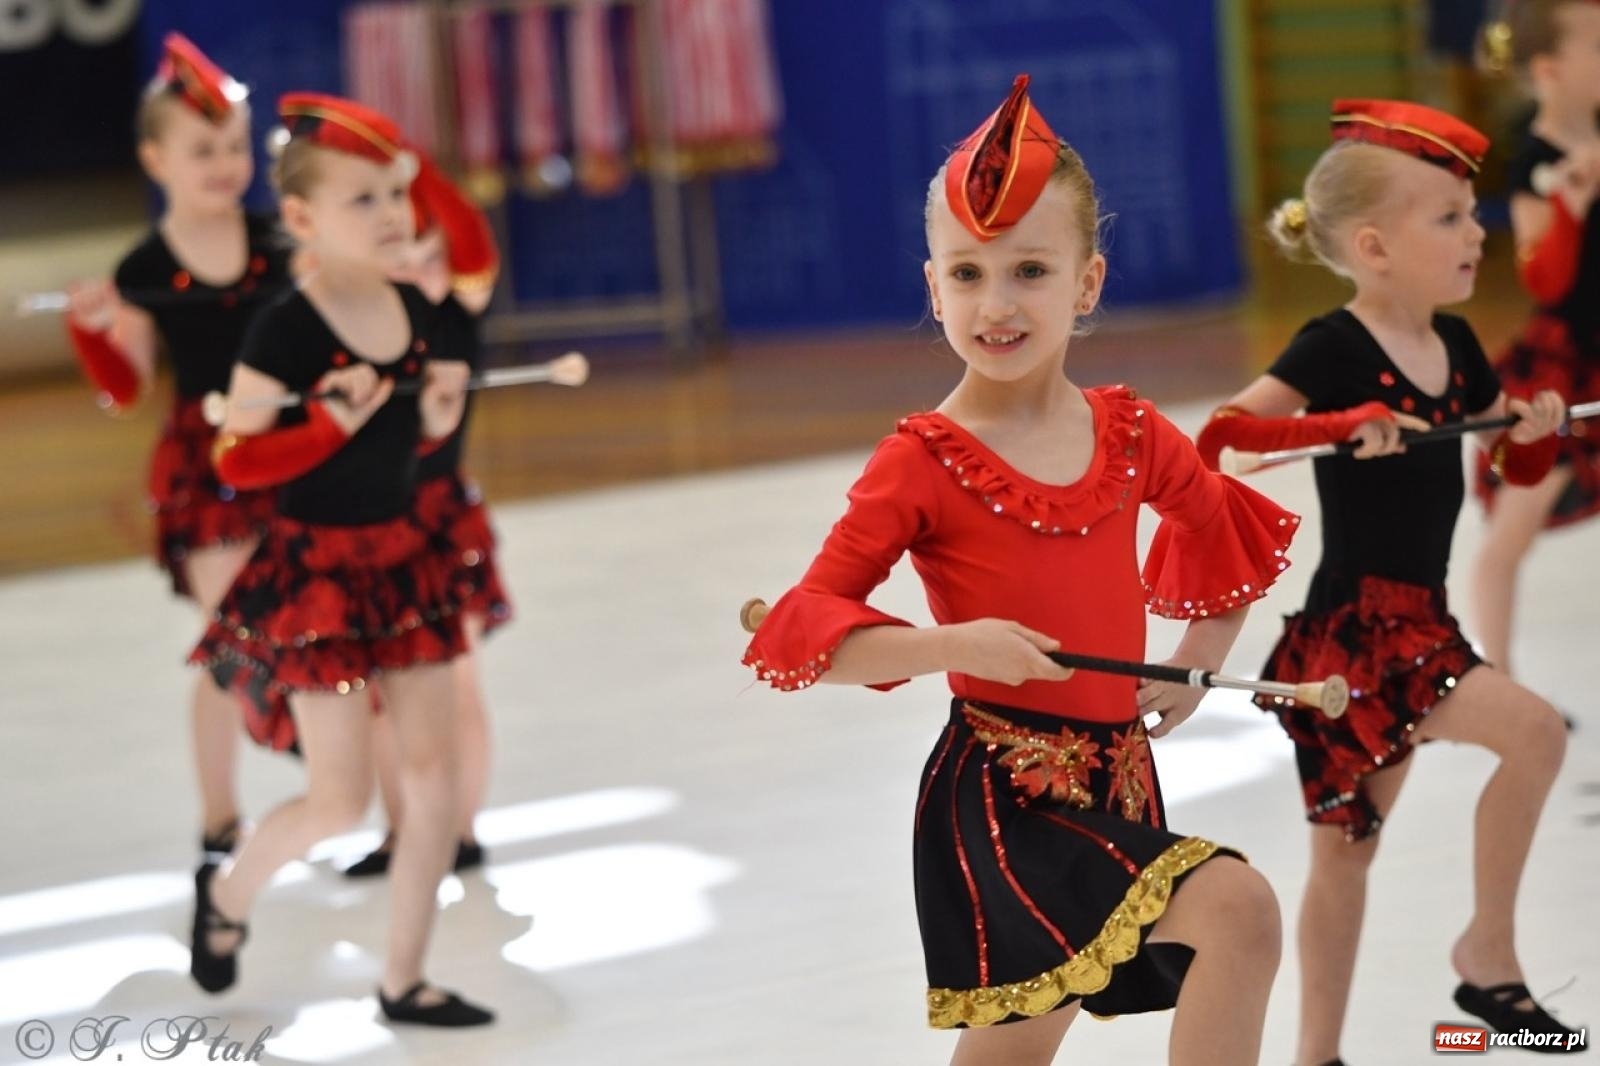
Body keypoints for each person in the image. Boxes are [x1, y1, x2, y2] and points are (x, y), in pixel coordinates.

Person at [742, 75, 1295, 1066]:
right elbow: (812, 634)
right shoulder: (920, 459)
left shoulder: (1129, 430)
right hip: (1001, 793)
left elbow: (1222, 533)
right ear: (932, 286)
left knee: (1012, 1053)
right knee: (1238, 908)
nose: (994, 304)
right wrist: (957, 643)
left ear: (1086, 283)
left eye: (1028, 270)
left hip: (1117, 774)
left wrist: (1195, 659)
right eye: (967, 275)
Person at [1195, 98, 1578, 1064]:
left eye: (1469, 212)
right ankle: (1483, 958)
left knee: (1348, 855)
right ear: (1373, 246)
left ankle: (1326, 1050)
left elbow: (1509, 470)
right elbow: (1226, 435)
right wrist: (1336, 425)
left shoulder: (1454, 348)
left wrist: (1528, 433)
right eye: (1447, 217)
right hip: (1358, 636)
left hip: (1423, 625)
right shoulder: (1333, 347)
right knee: (1522, 736)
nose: (1474, 233)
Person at [188, 93, 491, 1027]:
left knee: (433, 777)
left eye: (395, 195)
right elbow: (234, 460)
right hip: (317, 575)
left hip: (406, 562)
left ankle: (403, 977)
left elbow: (429, 435)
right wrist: (327, 421)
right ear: (305, 220)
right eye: (363, 201)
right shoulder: (284, 328)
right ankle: (228, 899)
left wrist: (436, 414)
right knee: (340, 799)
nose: (394, 216)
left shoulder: (419, 307)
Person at [64, 33, 292, 870]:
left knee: (315, 621)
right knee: (232, 638)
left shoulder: (281, 243)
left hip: (291, 452)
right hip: (209, 469)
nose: (225, 163)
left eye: (235, 145)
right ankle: (220, 814)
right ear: (155, 158)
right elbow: (125, 388)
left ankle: (338, 774)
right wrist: (93, 335)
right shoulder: (146, 266)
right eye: (203, 150)